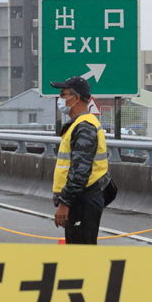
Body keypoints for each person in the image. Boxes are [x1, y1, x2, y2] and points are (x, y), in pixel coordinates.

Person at [50, 76, 111, 245]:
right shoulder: (78, 124)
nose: (60, 99)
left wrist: (65, 202)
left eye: (63, 94)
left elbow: (80, 171)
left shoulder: (84, 126)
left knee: (81, 254)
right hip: (82, 198)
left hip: (84, 199)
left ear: (75, 98)